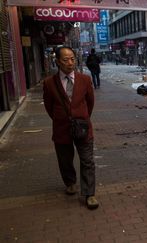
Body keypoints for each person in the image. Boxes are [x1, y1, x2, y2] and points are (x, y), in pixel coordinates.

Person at [42, 46, 98, 210]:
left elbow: (90, 103)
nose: (70, 62)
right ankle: (70, 182)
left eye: (72, 59)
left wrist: (82, 117)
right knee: (65, 159)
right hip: (61, 128)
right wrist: (61, 118)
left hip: (83, 127)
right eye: (66, 60)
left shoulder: (85, 80)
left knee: (87, 160)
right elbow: (48, 106)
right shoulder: (49, 83)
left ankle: (89, 194)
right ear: (58, 62)